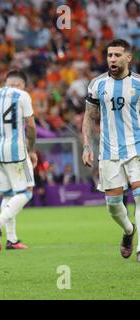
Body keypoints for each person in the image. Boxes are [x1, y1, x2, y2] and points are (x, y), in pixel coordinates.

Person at [82, 38, 140, 262]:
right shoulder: (97, 84)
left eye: (117, 55)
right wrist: (87, 145)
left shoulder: (137, 84)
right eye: (109, 55)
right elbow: (89, 117)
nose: (112, 59)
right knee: (114, 207)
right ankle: (128, 231)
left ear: (128, 57)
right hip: (108, 152)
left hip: (136, 149)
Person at [0, 70, 37, 251]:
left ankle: (12, 239)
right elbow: (31, 125)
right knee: (27, 191)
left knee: (8, 194)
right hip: (15, 150)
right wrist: (31, 147)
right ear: (20, 84)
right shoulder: (22, 95)